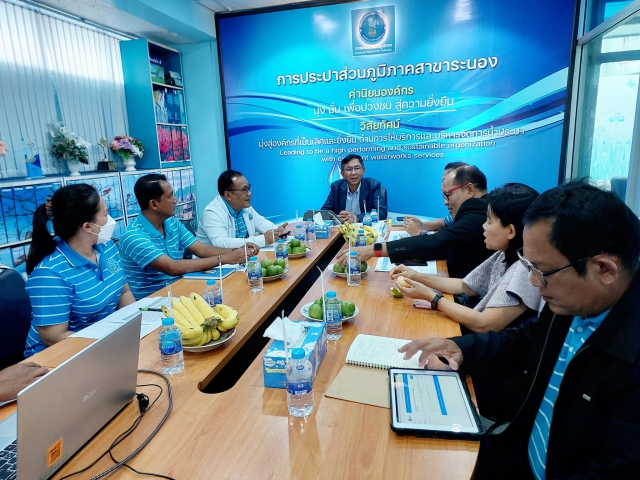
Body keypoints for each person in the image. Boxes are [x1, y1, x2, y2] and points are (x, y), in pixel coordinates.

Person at [398, 182, 640, 479]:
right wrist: (460, 348)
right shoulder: (576, 301)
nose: (534, 282)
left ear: (604, 270)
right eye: (529, 266)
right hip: (518, 451)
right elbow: (527, 340)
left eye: (543, 271)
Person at [391, 183, 541, 333]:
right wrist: (415, 276)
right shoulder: (503, 254)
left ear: (510, 231)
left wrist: (431, 297)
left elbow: (484, 324)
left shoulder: (524, 270)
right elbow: (466, 286)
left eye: (489, 221)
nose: (483, 226)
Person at [24, 184, 135, 356]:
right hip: (58, 356)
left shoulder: (107, 247)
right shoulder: (50, 274)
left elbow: (123, 292)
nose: (110, 220)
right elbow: (54, 337)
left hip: (103, 342)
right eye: (105, 215)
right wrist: (107, 344)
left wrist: (137, 324)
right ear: (87, 227)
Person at [338, 165, 491, 279]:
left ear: (469, 190)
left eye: (448, 195)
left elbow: (437, 242)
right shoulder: (480, 209)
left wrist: (373, 250)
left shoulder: (478, 216)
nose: (445, 202)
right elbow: (442, 246)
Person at [120, 174, 257, 299]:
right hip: (154, 301)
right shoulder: (133, 236)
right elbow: (172, 267)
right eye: (170, 196)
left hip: (181, 289)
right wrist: (225, 258)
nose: (175, 200)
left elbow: (202, 249)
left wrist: (238, 251)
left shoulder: (172, 223)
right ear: (154, 204)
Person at [196, 170, 288, 248]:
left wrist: (277, 231)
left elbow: (261, 223)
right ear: (228, 195)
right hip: (214, 263)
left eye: (249, 188)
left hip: (240, 259)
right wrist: (262, 240)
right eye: (244, 190)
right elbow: (221, 243)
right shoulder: (212, 212)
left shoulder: (244, 207)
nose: (249, 193)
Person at [403, 162, 469, 235]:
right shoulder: (458, 211)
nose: (442, 187)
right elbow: (445, 222)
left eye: (446, 180)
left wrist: (418, 234)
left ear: (469, 189)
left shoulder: (471, 219)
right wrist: (421, 224)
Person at [321, 154, 388, 222]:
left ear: (363, 171)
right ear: (343, 174)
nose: (353, 173)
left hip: (365, 226)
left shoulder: (372, 185)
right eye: (349, 169)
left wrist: (357, 218)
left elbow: (382, 212)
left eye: (357, 168)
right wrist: (337, 218)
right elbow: (324, 212)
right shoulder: (336, 187)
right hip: (343, 227)